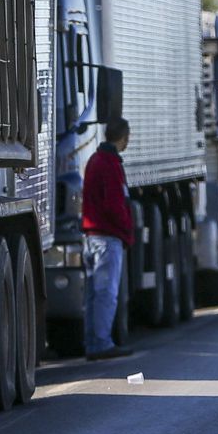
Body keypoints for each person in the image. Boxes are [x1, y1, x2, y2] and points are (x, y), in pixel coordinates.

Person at [82, 118, 135, 360]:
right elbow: (114, 204)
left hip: (91, 236)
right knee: (107, 294)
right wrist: (127, 228)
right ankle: (102, 343)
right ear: (122, 137)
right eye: (127, 138)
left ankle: (93, 342)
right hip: (107, 238)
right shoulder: (110, 163)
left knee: (94, 295)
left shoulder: (95, 160)